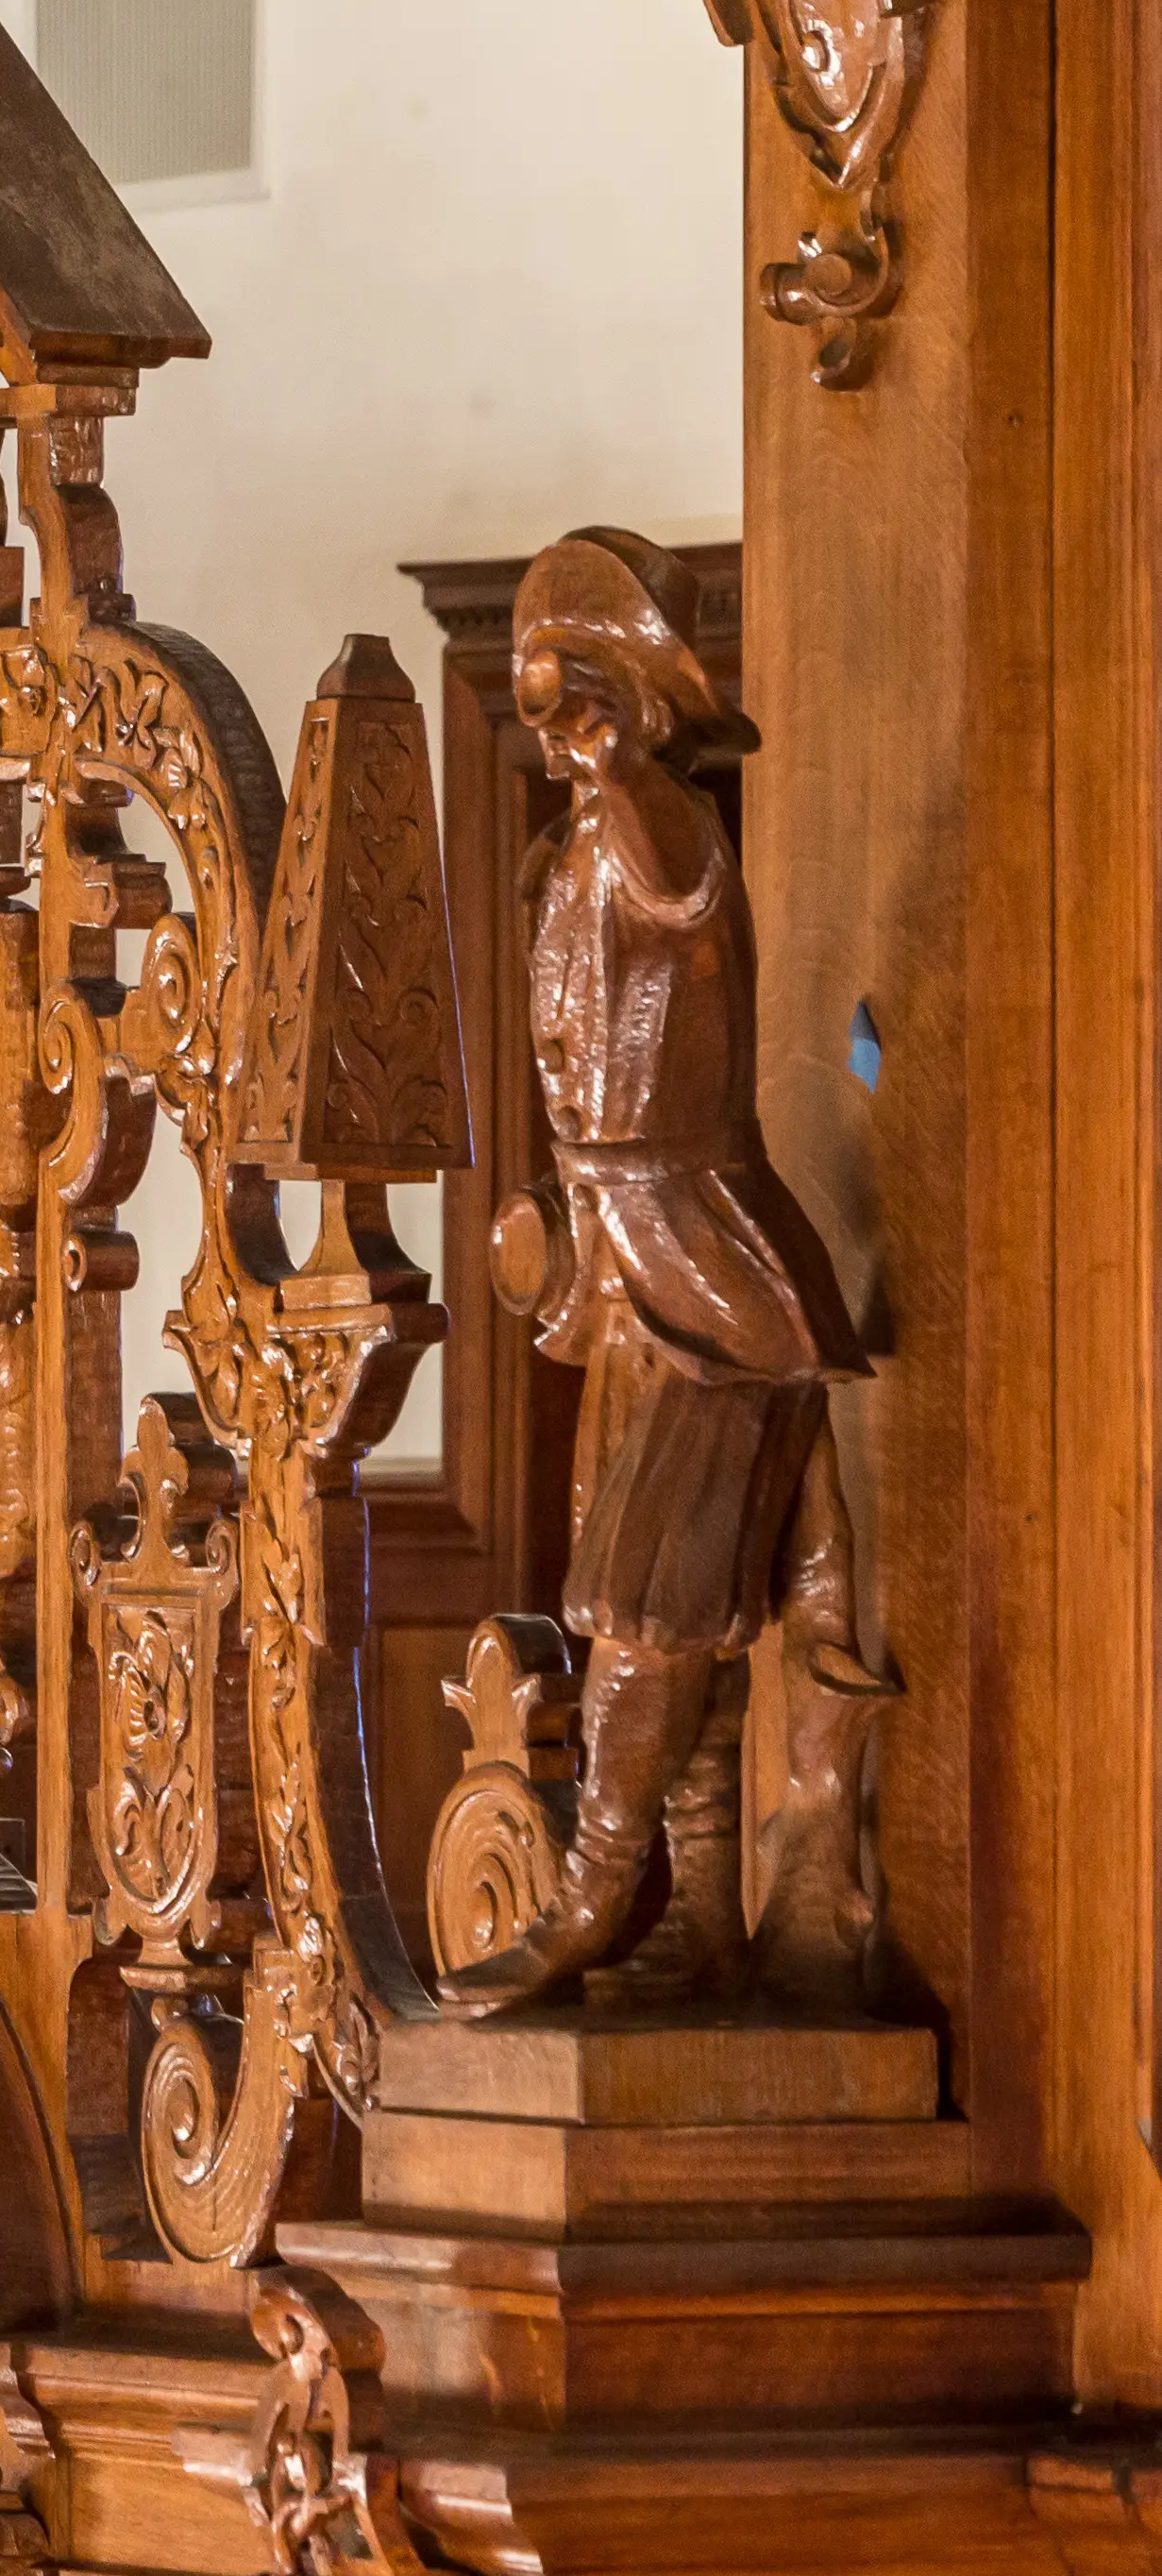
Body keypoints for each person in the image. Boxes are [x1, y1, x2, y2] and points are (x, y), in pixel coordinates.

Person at [442, 534, 881, 2008]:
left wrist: (619, 761)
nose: (544, 720)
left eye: (562, 685)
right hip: (622, 1261)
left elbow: (670, 882)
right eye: (531, 692)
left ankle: (587, 1895)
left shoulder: (659, 819)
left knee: (646, 1603)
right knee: (684, 1607)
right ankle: (697, 1912)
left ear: (621, 692)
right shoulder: (577, 838)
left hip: (700, 1262)